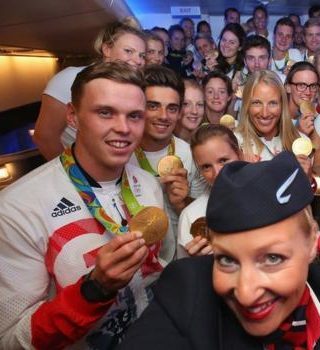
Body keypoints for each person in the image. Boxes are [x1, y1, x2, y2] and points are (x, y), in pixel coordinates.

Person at [119, 151, 320, 349]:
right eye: (226, 260)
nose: (247, 294)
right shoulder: (185, 293)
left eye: (273, 258)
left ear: (312, 243)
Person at [0, 62, 169, 349]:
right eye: (105, 112)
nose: (123, 128)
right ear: (73, 116)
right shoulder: (18, 208)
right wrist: (94, 290)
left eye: (135, 116)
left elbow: (157, 269)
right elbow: (11, 340)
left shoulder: (149, 185)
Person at [177, 124, 320, 258]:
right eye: (206, 166)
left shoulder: (269, 193)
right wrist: (202, 266)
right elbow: (187, 285)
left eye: (224, 160)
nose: (218, 172)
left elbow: (302, 243)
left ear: (239, 154)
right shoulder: (191, 216)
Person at [34, 19, 146, 160]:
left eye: (142, 55)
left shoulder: (134, 88)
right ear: (107, 49)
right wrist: (72, 175)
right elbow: (44, 137)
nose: (138, 61)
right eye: (129, 51)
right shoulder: (69, 78)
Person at [128, 65, 206, 259]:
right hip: (133, 260)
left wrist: (182, 202)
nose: (163, 116)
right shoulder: (122, 153)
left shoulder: (190, 155)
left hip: (175, 260)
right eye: (153, 106)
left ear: (180, 113)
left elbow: (201, 220)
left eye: (172, 108)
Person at [235, 70, 307, 171]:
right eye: (257, 103)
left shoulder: (301, 143)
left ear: (282, 105)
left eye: (272, 103)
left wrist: (307, 178)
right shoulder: (234, 143)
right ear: (247, 105)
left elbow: (314, 185)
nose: (265, 113)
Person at [285, 62, 320, 138]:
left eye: (313, 86)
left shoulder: (319, 119)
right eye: (301, 85)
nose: (308, 92)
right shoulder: (275, 117)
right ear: (288, 87)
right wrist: (300, 133)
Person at [174, 78, 205, 143]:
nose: (194, 111)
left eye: (199, 105)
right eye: (186, 104)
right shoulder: (163, 143)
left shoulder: (207, 141)